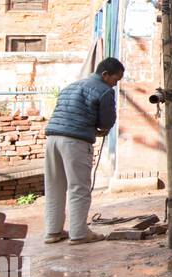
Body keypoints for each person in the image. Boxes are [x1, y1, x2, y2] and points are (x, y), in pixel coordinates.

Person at [43, 58, 124, 245]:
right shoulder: (104, 91)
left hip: (52, 138)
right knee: (78, 187)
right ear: (105, 75)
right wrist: (101, 130)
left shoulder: (72, 85)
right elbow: (106, 122)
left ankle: (53, 231)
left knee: (54, 186)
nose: (115, 84)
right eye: (115, 79)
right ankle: (79, 233)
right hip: (75, 141)